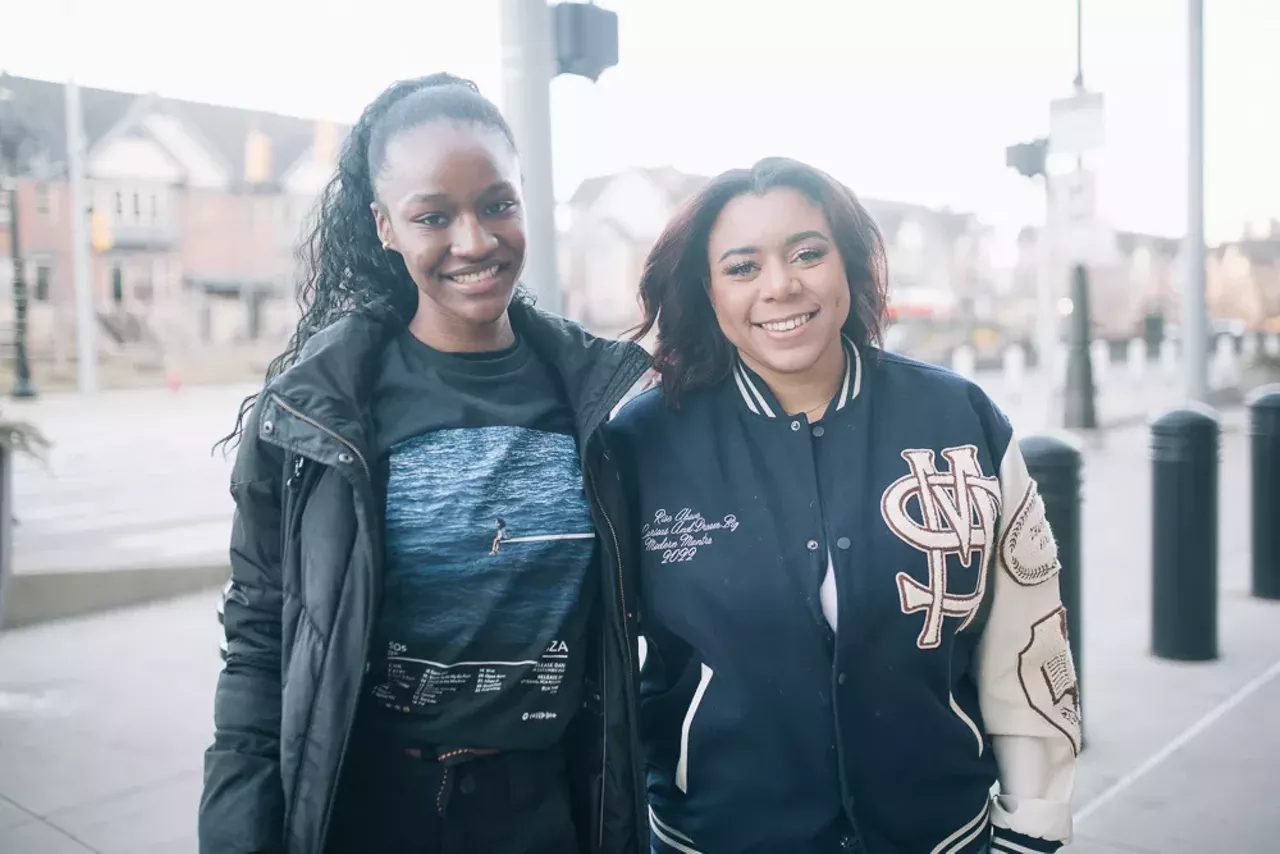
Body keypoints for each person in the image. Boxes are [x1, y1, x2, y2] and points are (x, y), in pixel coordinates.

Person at [198, 74, 651, 854]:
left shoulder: (598, 402)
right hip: (371, 810)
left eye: (497, 205)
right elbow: (259, 646)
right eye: (433, 216)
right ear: (384, 226)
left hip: (545, 814)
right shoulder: (314, 411)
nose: (473, 240)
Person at [606, 157, 1079, 854]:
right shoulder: (642, 443)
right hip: (715, 837)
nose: (781, 286)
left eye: (807, 253)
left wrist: (1033, 825)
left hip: (940, 835)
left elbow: (1026, 637)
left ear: (848, 264)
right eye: (742, 267)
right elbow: (600, 662)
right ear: (706, 290)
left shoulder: (959, 419)